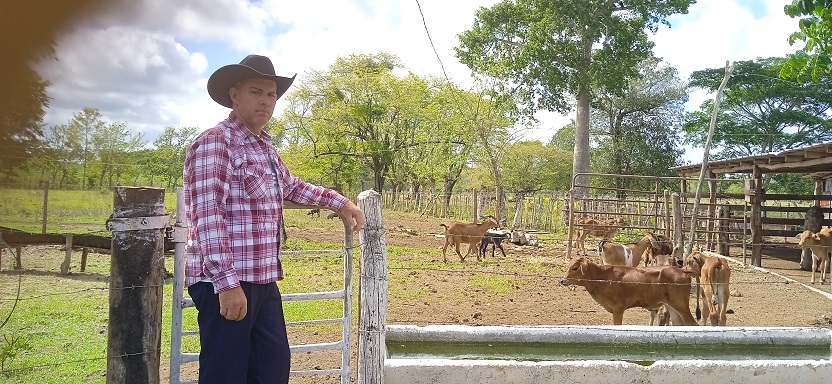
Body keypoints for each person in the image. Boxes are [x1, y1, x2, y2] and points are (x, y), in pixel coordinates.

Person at [183, 54, 365, 384]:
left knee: (272, 367)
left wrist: (340, 202)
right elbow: (207, 216)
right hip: (228, 280)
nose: (266, 101)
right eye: (256, 92)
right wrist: (227, 284)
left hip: (262, 277)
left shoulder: (264, 146)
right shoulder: (216, 142)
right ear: (234, 95)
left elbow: (291, 186)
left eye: (271, 94)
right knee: (226, 373)